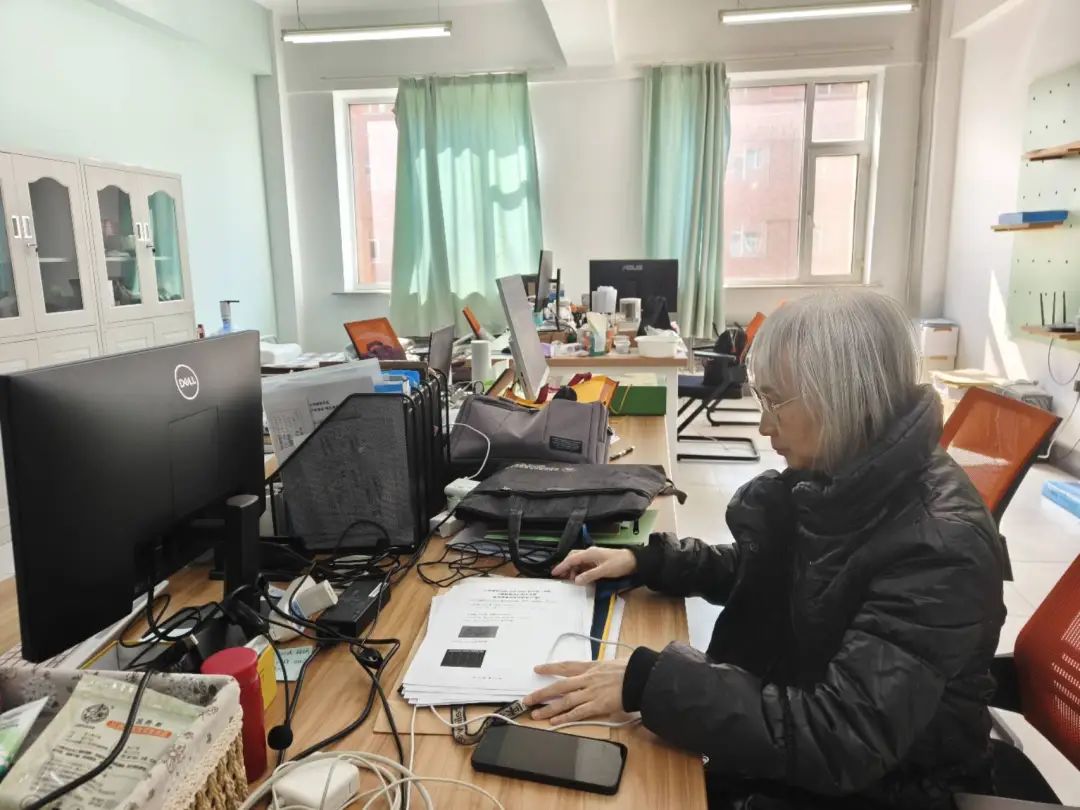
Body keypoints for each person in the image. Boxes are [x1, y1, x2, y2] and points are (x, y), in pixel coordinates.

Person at [523, 291, 1006, 810]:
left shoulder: (939, 547)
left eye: (775, 402)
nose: (764, 425)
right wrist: (651, 561)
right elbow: (782, 573)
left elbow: (843, 737)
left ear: (841, 396)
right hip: (808, 742)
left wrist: (651, 683)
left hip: (889, 789)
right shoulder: (844, 473)